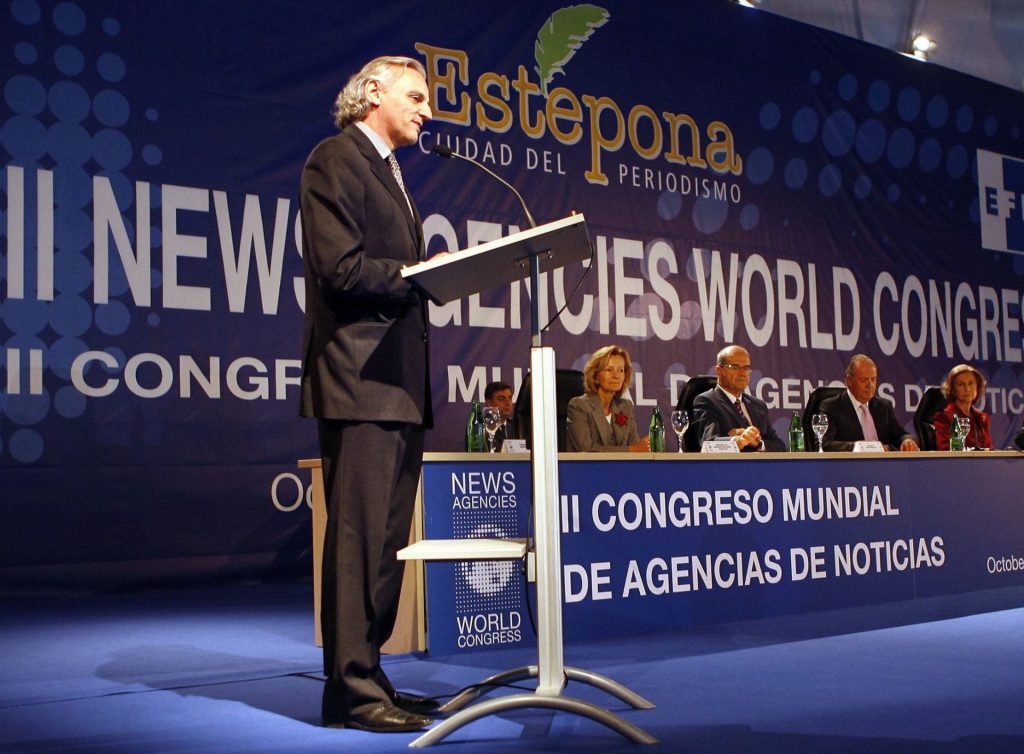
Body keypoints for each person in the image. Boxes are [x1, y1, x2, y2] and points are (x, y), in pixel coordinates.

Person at [298, 55, 439, 733]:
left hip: (399, 386)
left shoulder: (390, 172)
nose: (426, 108)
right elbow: (340, 267)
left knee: (385, 546)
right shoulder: (337, 158)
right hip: (360, 382)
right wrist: (419, 273)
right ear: (371, 93)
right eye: (416, 95)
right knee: (356, 545)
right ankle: (349, 693)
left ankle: (371, 675)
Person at [692, 344, 786, 451]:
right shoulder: (707, 401)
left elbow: (780, 446)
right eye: (735, 367)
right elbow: (709, 443)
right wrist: (739, 441)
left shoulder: (758, 405)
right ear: (719, 371)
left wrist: (758, 444)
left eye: (746, 368)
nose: (742, 373)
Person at [820, 354, 919, 452]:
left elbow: (901, 435)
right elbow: (825, 444)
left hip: (884, 465)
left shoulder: (883, 407)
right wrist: (859, 447)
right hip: (851, 466)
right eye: (864, 380)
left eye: (873, 379)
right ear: (849, 381)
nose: (870, 385)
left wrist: (908, 440)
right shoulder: (832, 407)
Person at [566, 345, 650, 452]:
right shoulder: (578, 406)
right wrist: (630, 450)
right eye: (609, 370)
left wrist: (646, 445)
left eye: (620, 370)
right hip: (587, 468)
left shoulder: (626, 407)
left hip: (622, 468)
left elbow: (635, 446)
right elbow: (587, 450)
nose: (616, 376)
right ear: (595, 376)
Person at [932, 364, 992, 450]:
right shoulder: (944, 417)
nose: (967, 388)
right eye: (961, 384)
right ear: (952, 390)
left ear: (977, 387)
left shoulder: (982, 418)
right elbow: (945, 450)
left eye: (971, 383)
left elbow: (989, 450)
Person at [483, 380, 516, 447]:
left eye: (510, 398)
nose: (508, 403)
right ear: (489, 403)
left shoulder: (517, 427)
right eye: (501, 399)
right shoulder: (480, 429)